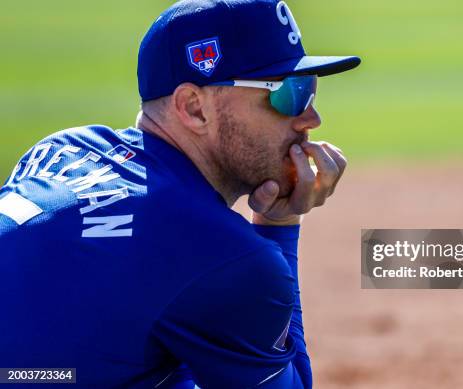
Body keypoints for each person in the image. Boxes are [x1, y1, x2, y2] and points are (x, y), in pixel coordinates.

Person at [0, 0, 360, 388]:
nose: (312, 118)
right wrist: (280, 225)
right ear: (194, 108)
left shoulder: (61, 147)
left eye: (310, 88)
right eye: (289, 93)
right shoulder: (225, 257)